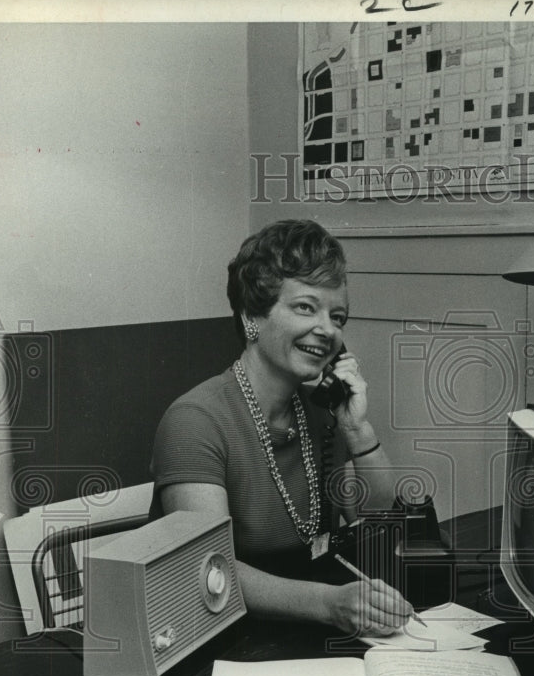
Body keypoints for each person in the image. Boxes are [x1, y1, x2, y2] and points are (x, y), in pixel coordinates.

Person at [149, 219, 413, 636]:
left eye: (337, 316)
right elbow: (208, 566)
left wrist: (357, 430)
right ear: (254, 314)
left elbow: (377, 521)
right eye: (306, 307)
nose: (327, 330)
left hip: (302, 628)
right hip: (217, 634)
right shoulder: (195, 421)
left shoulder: (322, 414)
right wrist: (330, 604)